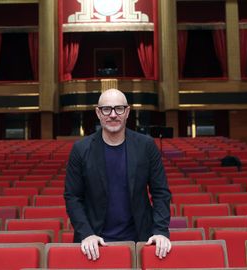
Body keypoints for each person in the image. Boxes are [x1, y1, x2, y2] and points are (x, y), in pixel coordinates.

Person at [64, 88, 172, 261]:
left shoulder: (146, 146)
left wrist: (160, 231)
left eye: (119, 109)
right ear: (98, 113)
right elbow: (73, 197)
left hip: (140, 240)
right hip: (95, 243)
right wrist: (86, 234)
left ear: (127, 112)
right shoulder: (80, 149)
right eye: (106, 109)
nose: (113, 115)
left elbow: (161, 193)